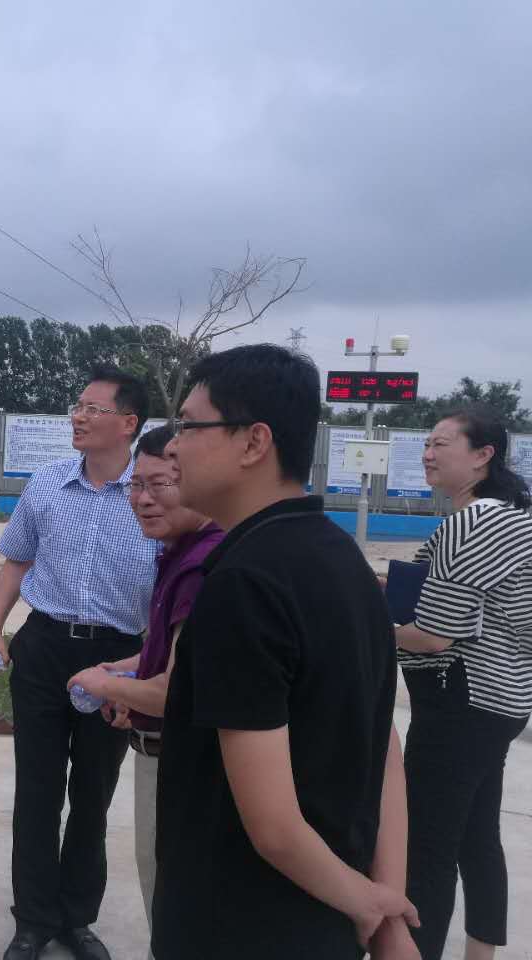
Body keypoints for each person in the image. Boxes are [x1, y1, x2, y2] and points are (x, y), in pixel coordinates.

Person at [152, 343, 418, 960]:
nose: (172, 447)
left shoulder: (244, 584)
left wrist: (370, 906)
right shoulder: (344, 559)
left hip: (239, 926)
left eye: (189, 426)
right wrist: (383, 902)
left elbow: (272, 827)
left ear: (254, 442)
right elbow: (383, 748)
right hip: (329, 919)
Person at [0, 364, 159, 960]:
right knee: (37, 790)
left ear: (128, 423)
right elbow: (16, 559)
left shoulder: (152, 495)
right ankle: (32, 918)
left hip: (117, 657)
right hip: (45, 646)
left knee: (93, 794)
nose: (77, 417)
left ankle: (77, 918)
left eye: (92, 409)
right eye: (77, 406)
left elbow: (168, 594)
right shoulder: (49, 482)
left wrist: (140, 676)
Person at [66, 423, 223, 955]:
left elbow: (175, 692)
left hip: (180, 759)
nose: (142, 499)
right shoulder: (178, 553)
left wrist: (103, 681)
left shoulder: (202, 566)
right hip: (166, 751)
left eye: (160, 485)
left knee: (171, 900)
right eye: (137, 484)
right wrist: (127, 669)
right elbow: (176, 656)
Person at [394, 407, 532, 960]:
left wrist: (365, 630)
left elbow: (433, 636)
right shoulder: (510, 518)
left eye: (441, 444)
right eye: (427, 443)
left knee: (425, 849)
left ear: (482, 456)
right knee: (476, 837)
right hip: (500, 701)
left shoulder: (472, 523)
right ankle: (480, 954)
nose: (428, 454)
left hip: (460, 703)